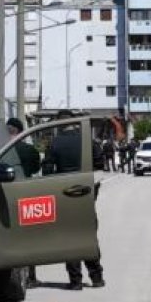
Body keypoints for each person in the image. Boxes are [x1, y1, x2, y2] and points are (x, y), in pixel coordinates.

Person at [46, 110, 105, 290]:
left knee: (69, 237)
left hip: (64, 193)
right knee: (88, 234)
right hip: (86, 193)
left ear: (59, 124)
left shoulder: (54, 143)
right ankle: (97, 277)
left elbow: (47, 171)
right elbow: (100, 165)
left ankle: (76, 280)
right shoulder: (88, 141)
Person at [6, 117, 42, 288]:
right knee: (30, 238)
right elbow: (36, 169)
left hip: (4, 197)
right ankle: (31, 277)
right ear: (21, 132)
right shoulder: (29, 150)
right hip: (26, 195)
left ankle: (8, 277)